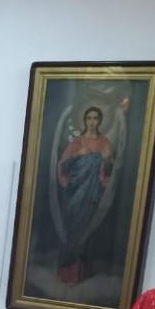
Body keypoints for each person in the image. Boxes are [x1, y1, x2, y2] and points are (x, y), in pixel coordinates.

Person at [55, 105, 114, 284]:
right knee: (72, 229)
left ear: (100, 121)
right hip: (74, 193)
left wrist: (103, 160)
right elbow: (63, 165)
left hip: (91, 194)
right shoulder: (77, 142)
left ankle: (80, 274)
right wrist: (78, 155)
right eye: (89, 118)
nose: (92, 121)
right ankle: (66, 271)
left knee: (85, 231)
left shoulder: (104, 143)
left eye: (95, 118)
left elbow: (109, 169)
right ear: (84, 120)